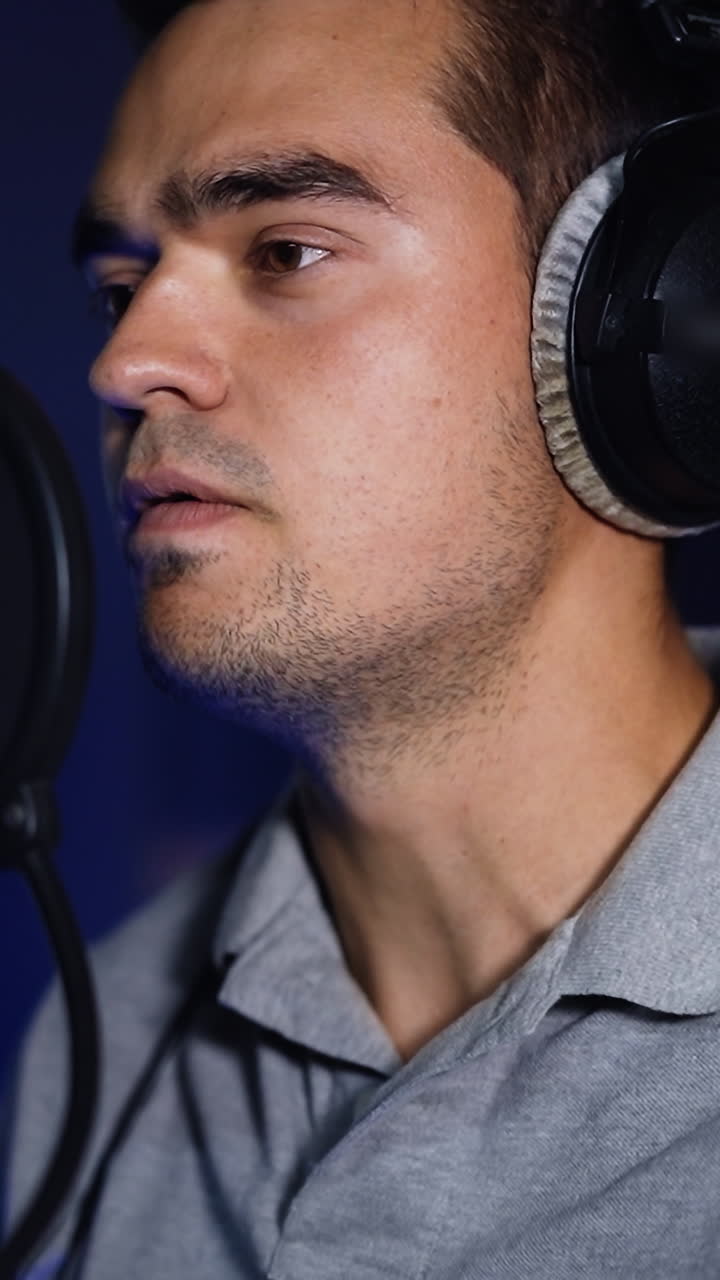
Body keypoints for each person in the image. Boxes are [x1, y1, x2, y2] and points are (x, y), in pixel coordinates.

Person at [6, 0, 720, 1275]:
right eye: (121, 285)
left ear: (643, 323)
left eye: (284, 249)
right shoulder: (99, 1040)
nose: (125, 363)